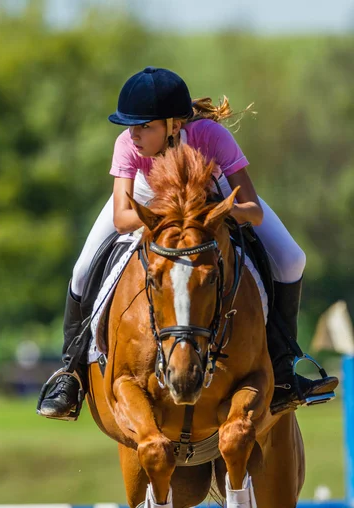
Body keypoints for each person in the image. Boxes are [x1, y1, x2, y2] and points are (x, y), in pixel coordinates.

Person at [38, 66, 338, 419]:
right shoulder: (127, 145)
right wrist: (174, 215)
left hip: (213, 193)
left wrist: (210, 211)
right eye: (130, 126)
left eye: (145, 127)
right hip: (148, 198)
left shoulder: (211, 137)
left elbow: (253, 210)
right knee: (83, 268)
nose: (134, 134)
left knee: (291, 259)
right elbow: (122, 218)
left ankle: (284, 369)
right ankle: (71, 373)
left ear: (175, 126)